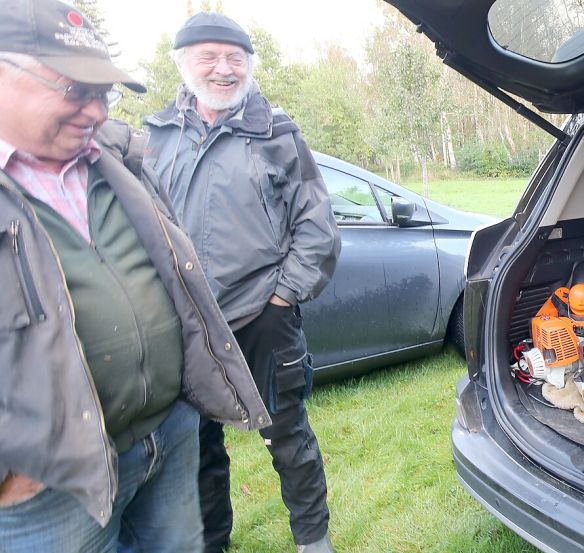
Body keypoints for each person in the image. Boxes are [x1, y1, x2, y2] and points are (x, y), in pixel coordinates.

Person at [0, 1, 272, 552]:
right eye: (76, 89)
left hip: (167, 436)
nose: (97, 112)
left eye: (104, 93)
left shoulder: (118, 161)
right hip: (50, 488)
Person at [143, 12, 341, 553]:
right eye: (208, 57)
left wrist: (282, 298)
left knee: (289, 440)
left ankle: (313, 541)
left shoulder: (277, 133)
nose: (223, 69)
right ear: (183, 64)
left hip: (262, 319)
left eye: (235, 58)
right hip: (184, 327)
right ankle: (212, 543)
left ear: (250, 66)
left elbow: (316, 227)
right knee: (198, 450)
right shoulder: (156, 137)